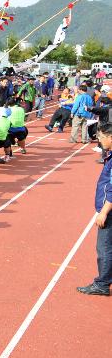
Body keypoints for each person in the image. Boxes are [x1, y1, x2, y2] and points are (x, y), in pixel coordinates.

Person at [78, 122, 112, 296]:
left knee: (104, 248)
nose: (99, 140)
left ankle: (102, 284)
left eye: (101, 137)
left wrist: (104, 212)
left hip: (109, 211)